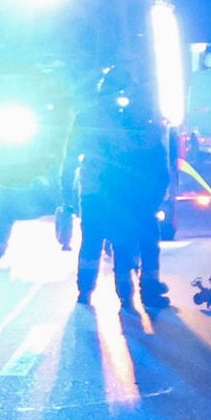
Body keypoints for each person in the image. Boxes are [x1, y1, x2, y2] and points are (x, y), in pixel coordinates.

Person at [64, 71, 165, 316]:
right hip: (117, 191)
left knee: (94, 242)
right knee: (122, 243)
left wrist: (66, 190)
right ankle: (125, 295)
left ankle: (87, 292)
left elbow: (71, 155)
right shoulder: (128, 118)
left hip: (97, 190)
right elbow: (149, 156)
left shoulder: (91, 116)